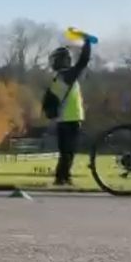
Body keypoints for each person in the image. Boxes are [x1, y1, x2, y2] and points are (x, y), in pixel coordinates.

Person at [46, 34, 92, 186]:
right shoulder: (67, 76)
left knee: (65, 152)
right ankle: (62, 178)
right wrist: (87, 44)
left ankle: (63, 177)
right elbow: (83, 62)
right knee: (68, 152)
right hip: (70, 119)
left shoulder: (59, 77)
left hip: (63, 120)